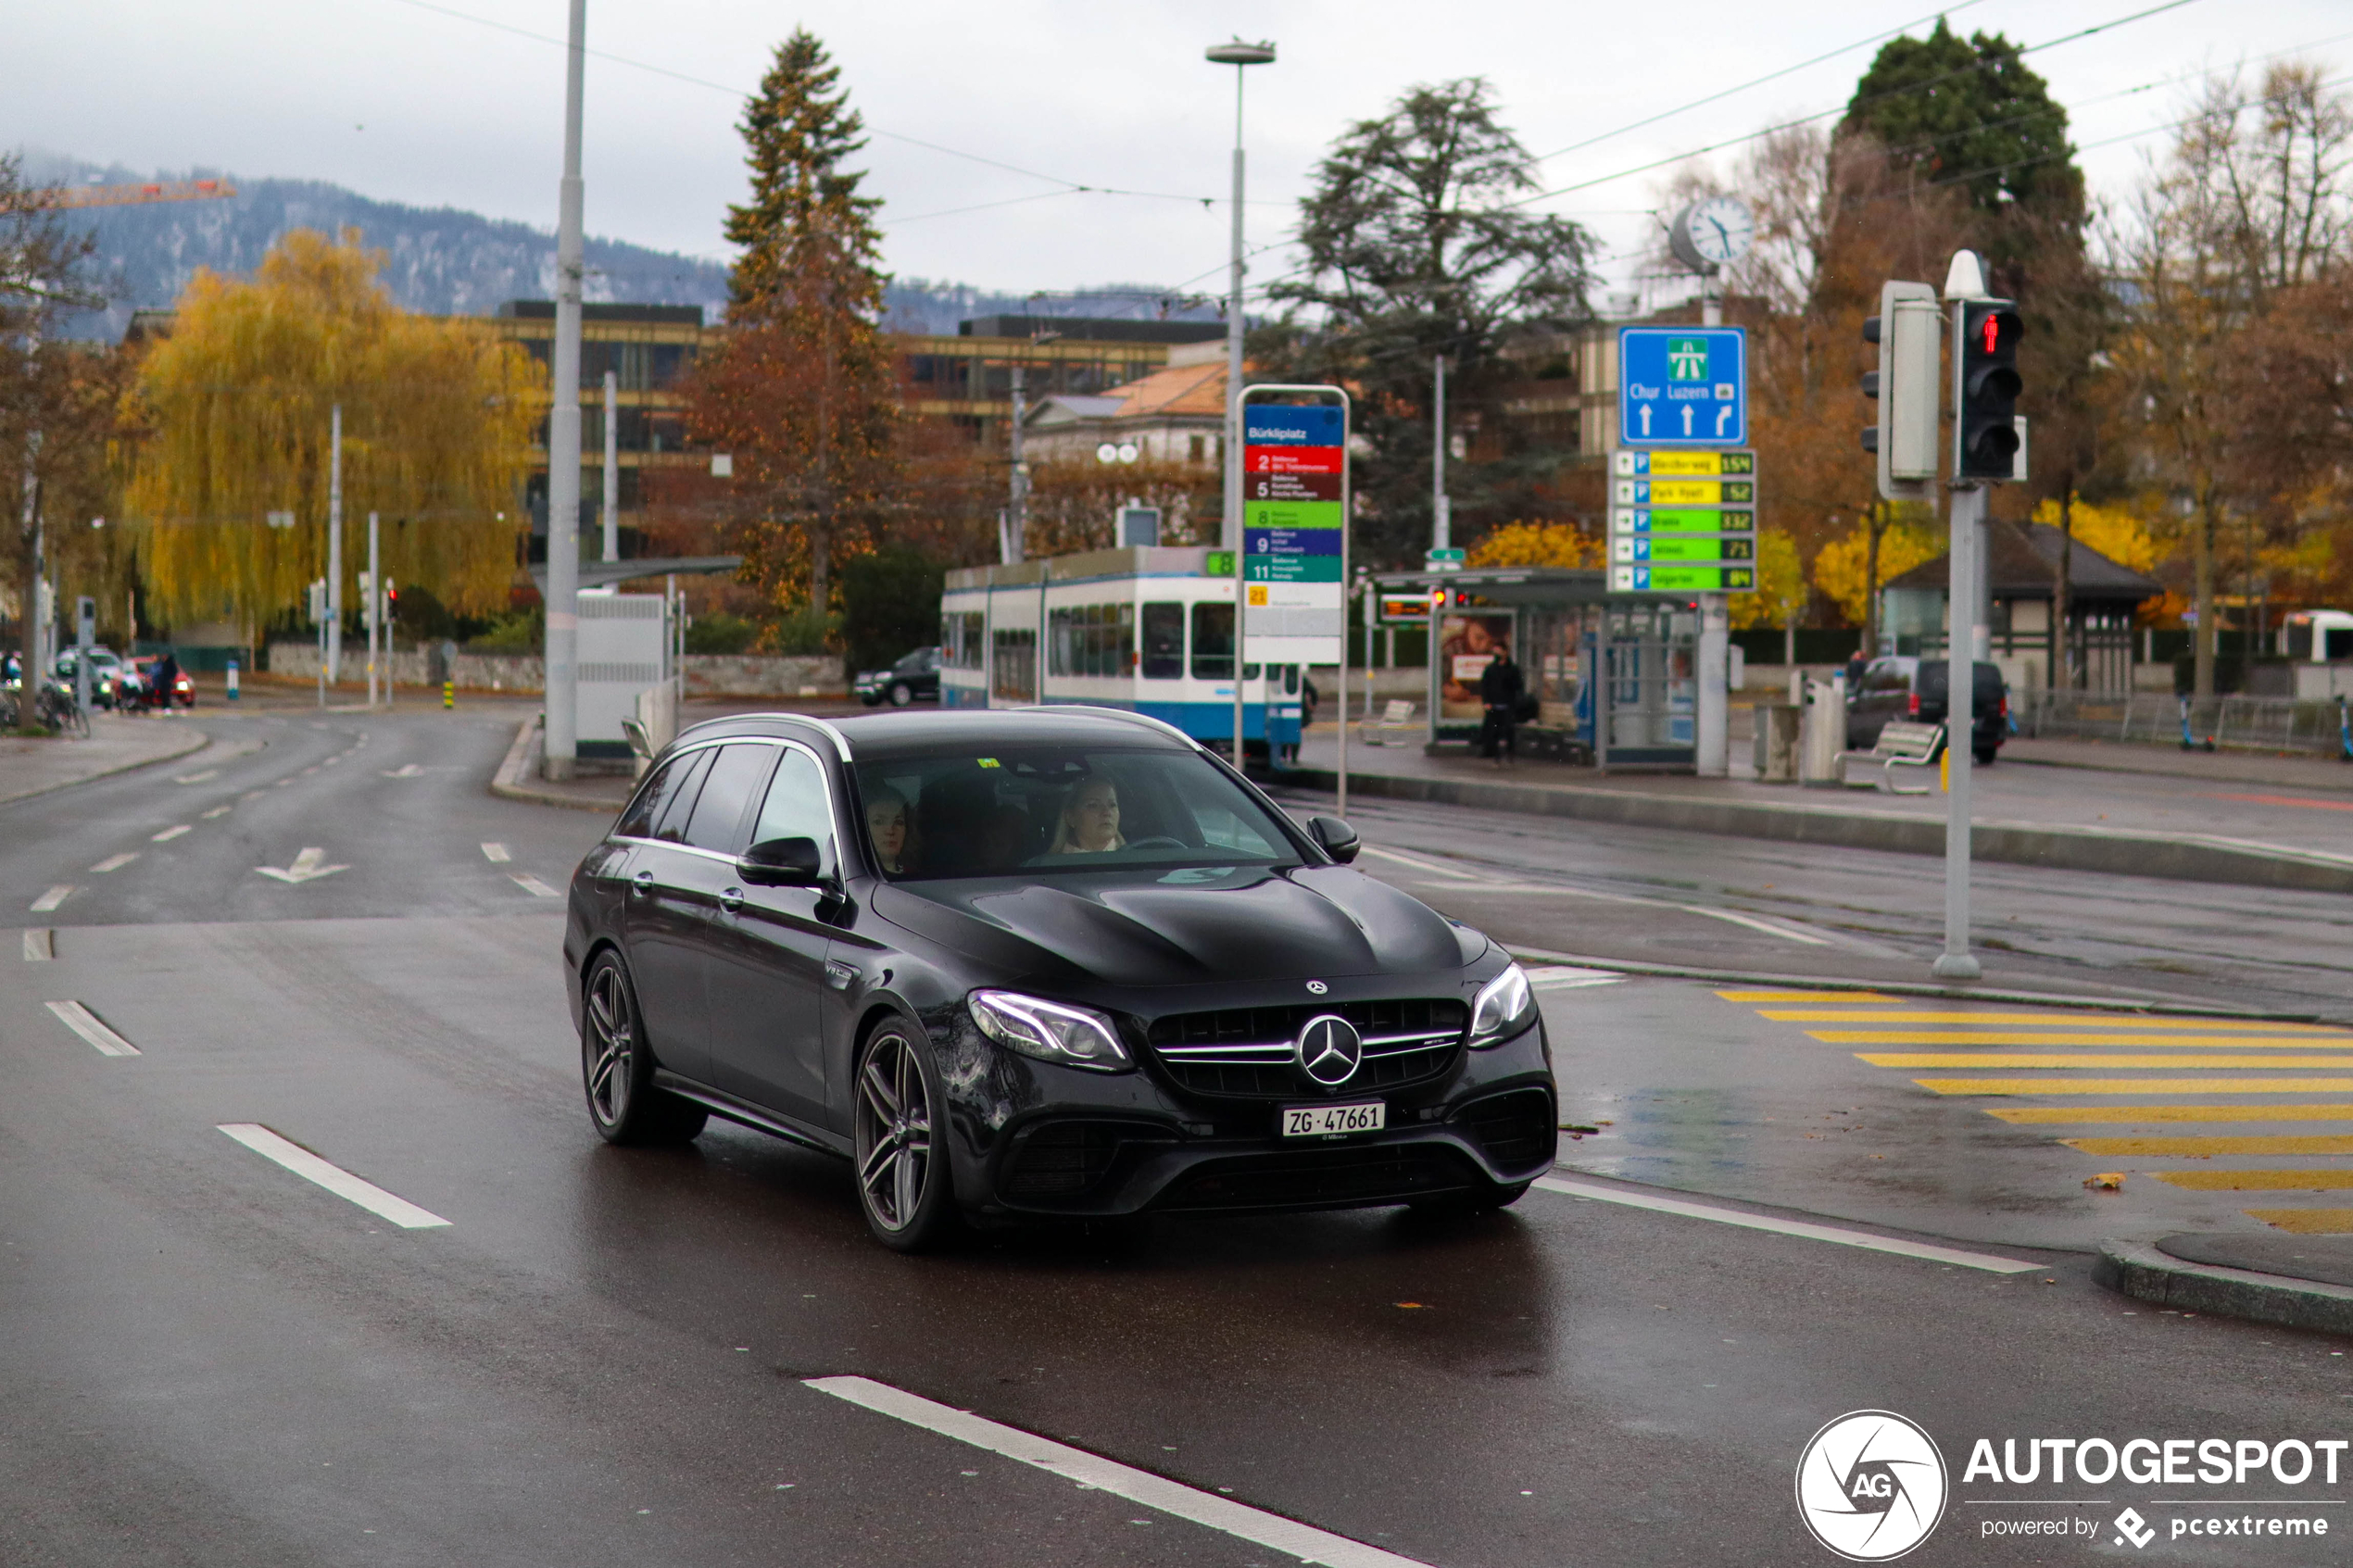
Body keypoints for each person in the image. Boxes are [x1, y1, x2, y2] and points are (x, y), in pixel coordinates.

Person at [1047, 773, 1125, 854]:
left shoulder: (1135, 860)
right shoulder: (1048, 864)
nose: (1107, 812)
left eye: (1112, 805)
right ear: (1071, 817)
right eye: (1093, 805)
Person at [1478, 641, 1524, 766]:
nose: (1496, 654)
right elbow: (1484, 686)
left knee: (1509, 730)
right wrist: (1486, 702)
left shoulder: (1513, 669)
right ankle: (1496, 757)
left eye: (1499, 651)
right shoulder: (1490, 669)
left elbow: (1518, 686)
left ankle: (1510, 753)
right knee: (1494, 732)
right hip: (1494, 705)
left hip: (1508, 704)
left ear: (1505, 652)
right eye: (1495, 652)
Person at [863, 786, 911, 874]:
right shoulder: (845, 879)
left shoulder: (918, 877)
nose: (890, 831)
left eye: (898, 822)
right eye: (879, 822)